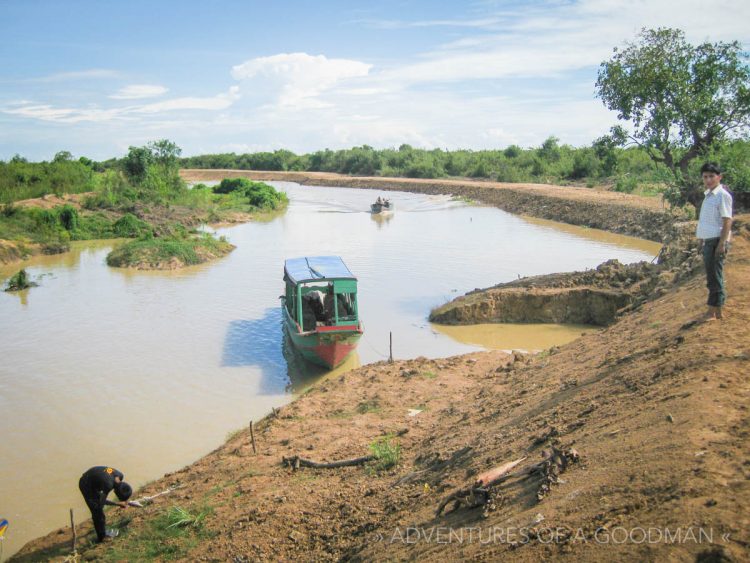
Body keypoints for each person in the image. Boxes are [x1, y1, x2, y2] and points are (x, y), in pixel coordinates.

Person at [695, 162, 733, 321]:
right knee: (711, 275)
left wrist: (722, 243)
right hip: (709, 240)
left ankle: (714, 312)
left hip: (716, 240)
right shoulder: (708, 195)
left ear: (719, 177)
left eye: (711, 176)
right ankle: (715, 311)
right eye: (705, 177)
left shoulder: (722, 195)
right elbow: (706, 221)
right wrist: (700, 240)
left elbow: (727, 221)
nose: (708, 180)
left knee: (715, 277)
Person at [78, 466, 132, 543]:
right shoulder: (108, 485)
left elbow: (107, 474)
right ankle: (101, 538)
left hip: (94, 477)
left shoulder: (120, 475)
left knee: (98, 506)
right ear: (115, 492)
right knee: (97, 511)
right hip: (85, 484)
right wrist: (117, 503)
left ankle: (101, 530)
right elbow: (101, 503)